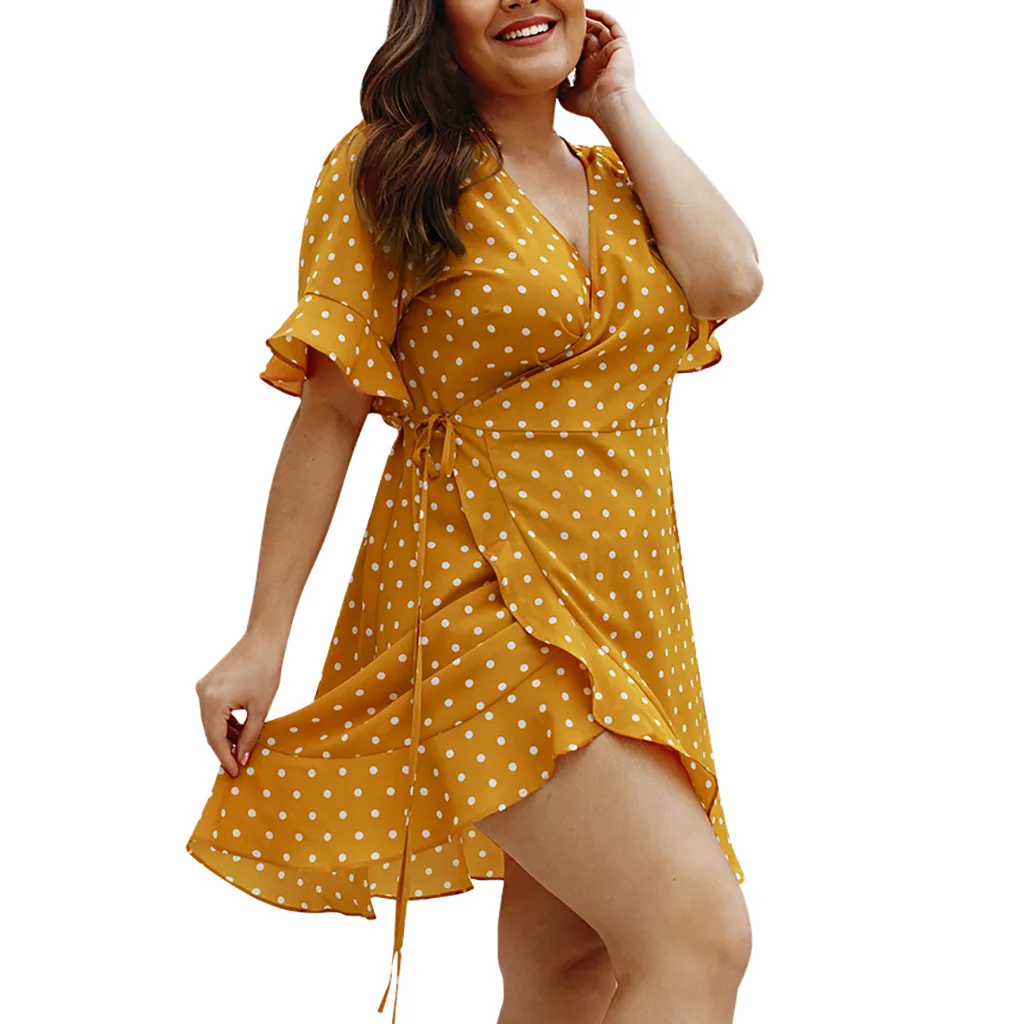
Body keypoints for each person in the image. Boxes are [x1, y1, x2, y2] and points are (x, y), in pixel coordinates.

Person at [188, 3, 762, 1022]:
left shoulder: (621, 181)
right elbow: (331, 411)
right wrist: (264, 633)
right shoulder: (391, 170)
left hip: (626, 616)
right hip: (478, 595)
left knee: (569, 968)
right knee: (696, 931)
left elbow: (731, 279)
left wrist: (619, 104)